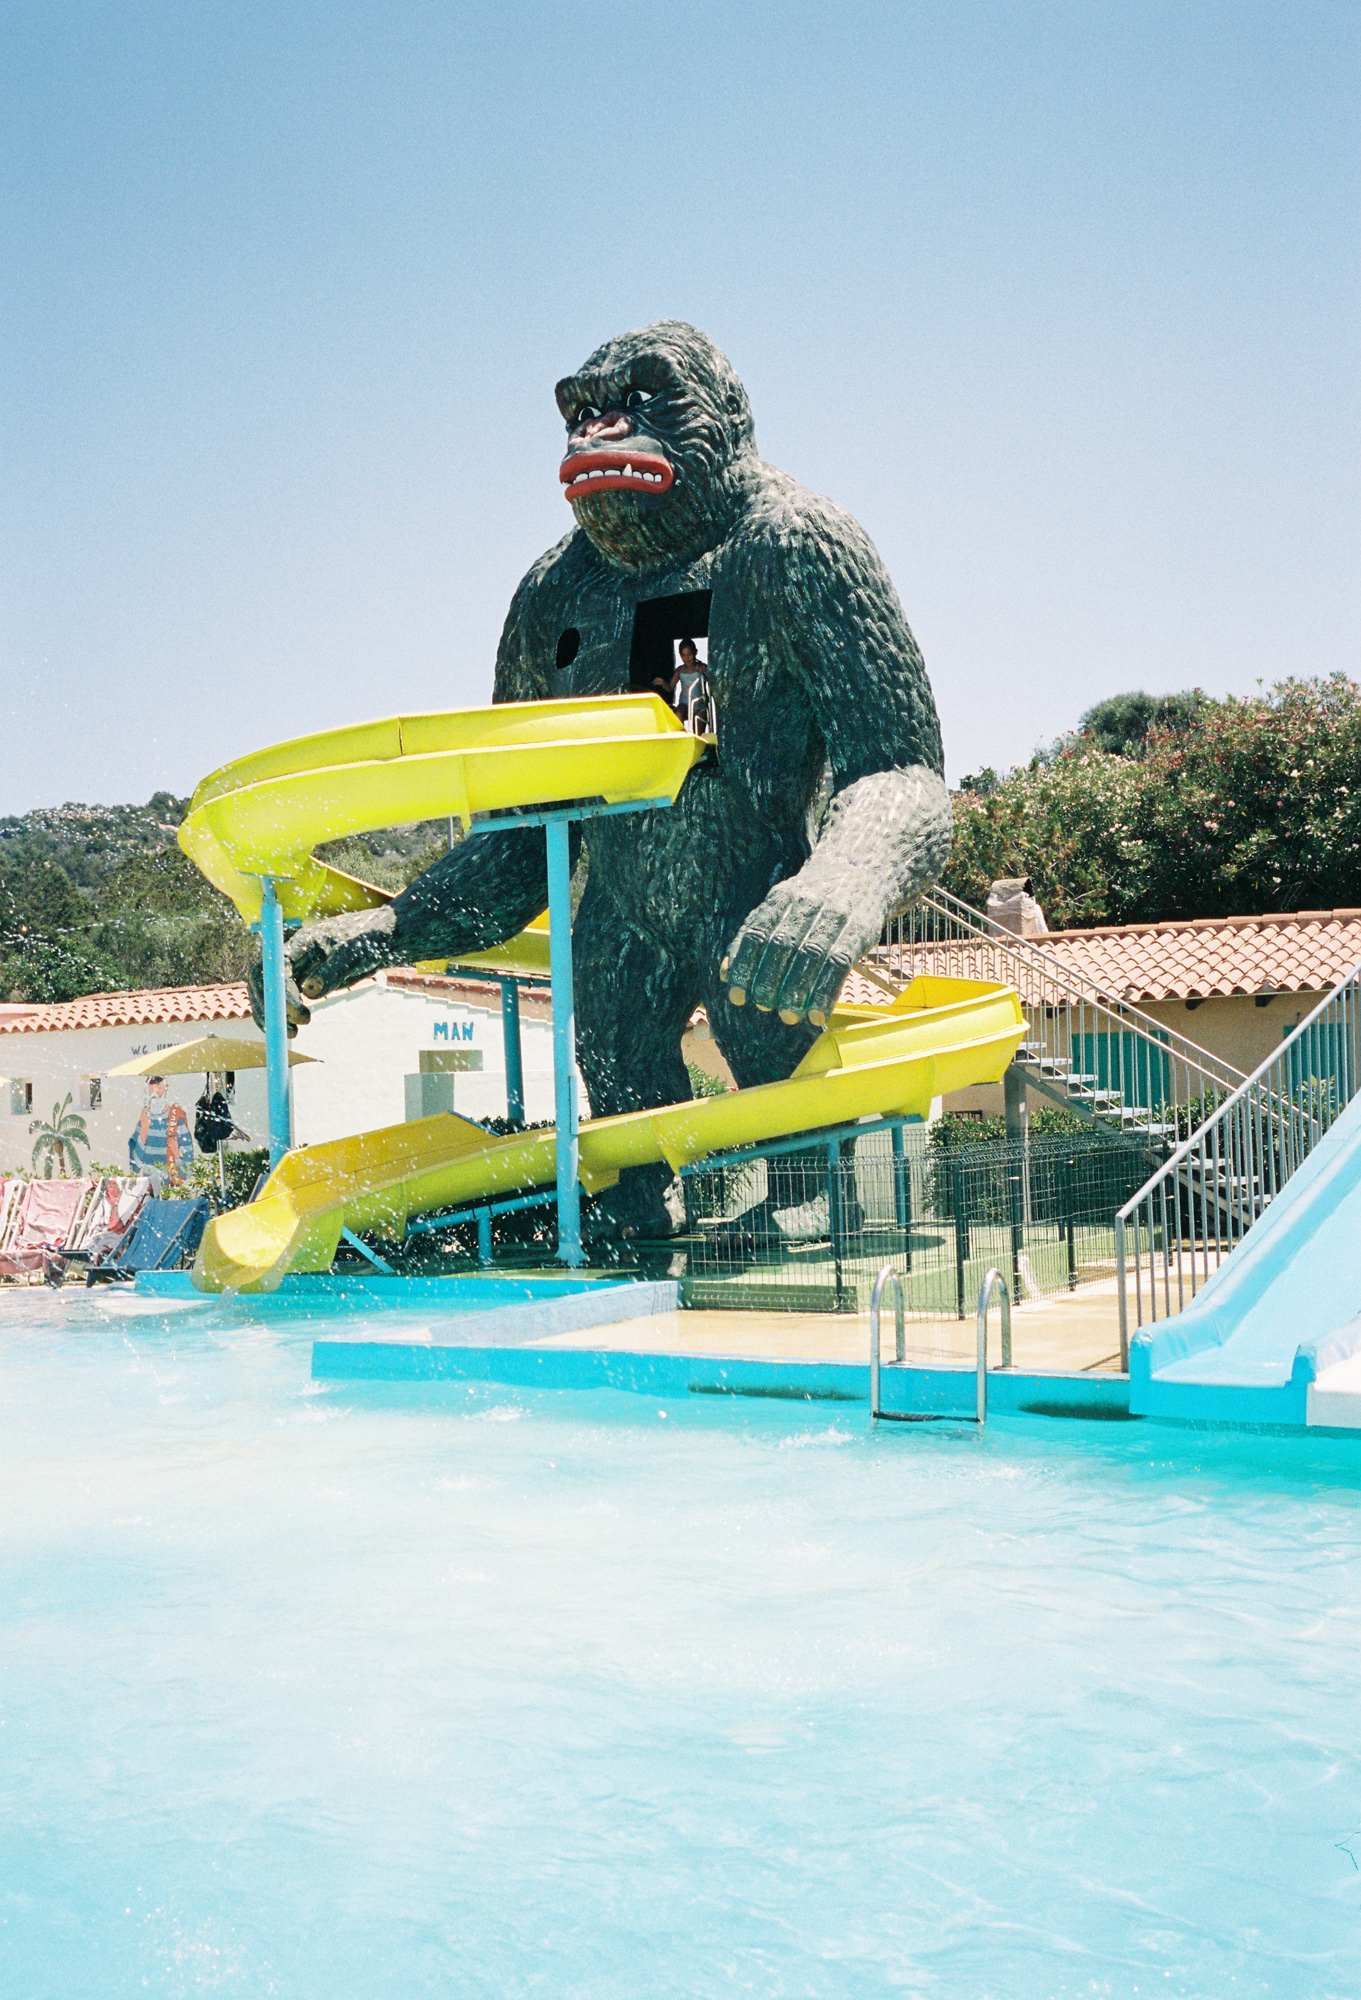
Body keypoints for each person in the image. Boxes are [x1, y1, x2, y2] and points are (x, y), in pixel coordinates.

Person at [128, 1076, 194, 1183]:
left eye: (158, 1084)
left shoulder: (176, 1120)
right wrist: (144, 1130)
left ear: (165, 1088)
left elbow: (188, 1171)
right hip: (148, 1188)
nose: (154, 1090)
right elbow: (134, 1167)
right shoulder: (143, 1121)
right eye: (150, 1085)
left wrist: (176, 1154)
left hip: (172, 1189)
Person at [676, 638, 708, 728]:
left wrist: (706, 674)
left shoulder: (701, 667)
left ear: (695, 652)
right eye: (684, 655)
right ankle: (681, 737)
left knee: (698, 727)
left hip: (699, 705)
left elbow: (713, 680)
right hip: (684, 704)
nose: (687, 658)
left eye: (689, 654)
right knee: (677, 714)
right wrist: (662, 682)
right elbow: (670, 686)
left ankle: (696, 739)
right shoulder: (679, 670)